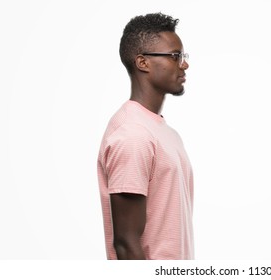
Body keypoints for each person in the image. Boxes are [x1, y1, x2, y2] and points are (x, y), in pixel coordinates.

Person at [97, 13, 194, 260]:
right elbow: (126, 245)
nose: (184, 64)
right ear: (143, 63)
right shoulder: (132, 135)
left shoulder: (163, 132)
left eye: (183, 56)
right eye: (175, 56)